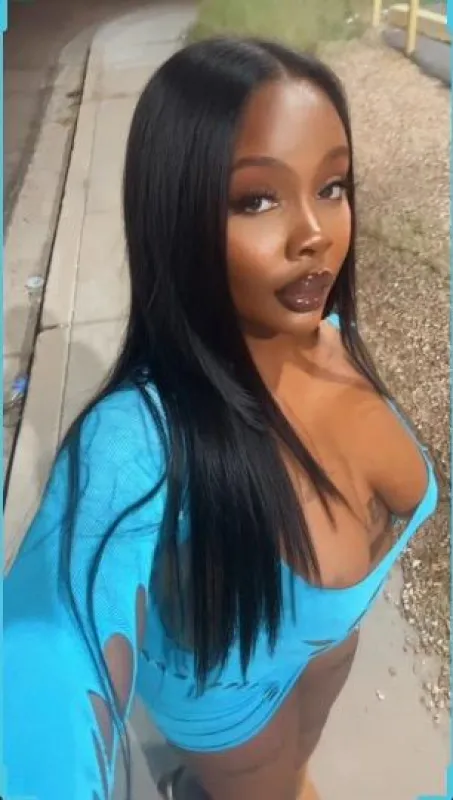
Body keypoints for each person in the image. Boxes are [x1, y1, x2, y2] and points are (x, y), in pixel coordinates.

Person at [4, 36, 438, 800]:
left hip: (321, 655)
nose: (315, 234)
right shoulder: (138, 440)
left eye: (332, 185)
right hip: (233, 719)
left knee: (297, 769)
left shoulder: (328, 337)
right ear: (176, 217)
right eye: (256, 199)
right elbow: (45, 647)